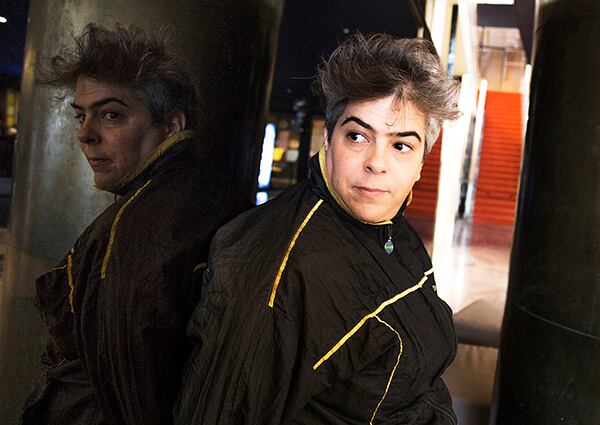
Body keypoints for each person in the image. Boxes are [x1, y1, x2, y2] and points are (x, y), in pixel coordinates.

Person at [176, 33, 460, 424]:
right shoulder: (283, 271)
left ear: (421, 164)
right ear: (327, 139)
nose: (376, 163)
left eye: (400, 146)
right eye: (357, 136)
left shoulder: (390, 226)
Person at [20, 24, 249, 425]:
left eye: (111, 115)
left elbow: (132, 401)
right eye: (81, 115)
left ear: (171, 126)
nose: (85, 135)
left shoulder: (133, 236)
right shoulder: (214, 193)